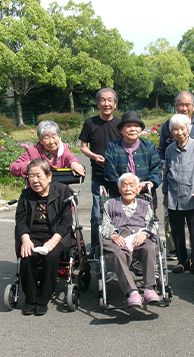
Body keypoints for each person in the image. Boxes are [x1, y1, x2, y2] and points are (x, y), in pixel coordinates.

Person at [158, 91, 194, 260]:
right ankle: (182, 259)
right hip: (174, 195)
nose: (179, 132)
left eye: (187, 104)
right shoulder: (169, 146)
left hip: (193, 194)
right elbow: (165, 167)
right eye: (175, 129)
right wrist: (165, 193)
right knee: (176, 229)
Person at [15, 159, 74, 315]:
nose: (34, 180)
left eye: (38, 176)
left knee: (50, 256)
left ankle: (43, 298)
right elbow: (20, 221)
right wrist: (26, 239)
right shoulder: (26, 195)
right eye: (31, 176)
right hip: (32, 235)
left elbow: (67, 221)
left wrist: (52, 242)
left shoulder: (62, 191)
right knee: (27, 256)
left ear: (49, 176)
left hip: (57, 235)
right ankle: (30, 298)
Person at [101, 173, 159, 307]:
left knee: (150, 247)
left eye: (132, 185)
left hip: (139, 237)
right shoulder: (109, 204)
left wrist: (144, 234)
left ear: (138, 189)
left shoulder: (145, 204)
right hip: (118, 238)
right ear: (119, 189)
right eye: (124, 185)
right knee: (116, 252)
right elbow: (105, 224)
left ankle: (149, 289)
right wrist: (113, 235)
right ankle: (132, 292)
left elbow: (151, 223)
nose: (128, 189)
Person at [79, 88, 122, 258]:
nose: (106, 103)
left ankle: (117, 245)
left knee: (118, 213)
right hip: (98, 176)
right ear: (98, 104)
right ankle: (96, 248)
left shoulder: (120, 124)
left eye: (110, 100)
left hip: (118, 177)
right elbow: (82, 147)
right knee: (97, 214)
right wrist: (93, 156)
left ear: (115, 104)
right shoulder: (90, 123)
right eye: (103, 100)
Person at [103, 111, 161, 207]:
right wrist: (125, 187)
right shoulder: (113, 146)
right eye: (128, 126)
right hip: (119, 195)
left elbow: (156, 169)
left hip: (144, 195)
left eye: (136, 126)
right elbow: (109, 171)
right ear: (121, 129)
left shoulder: (148, 145)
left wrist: (150, 182)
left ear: (141, 129)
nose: (133, 129)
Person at [9, 121, 85, 178]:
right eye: (47, 138)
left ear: (59, 137)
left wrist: (74, 164)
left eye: (54, 137)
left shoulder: (63, 148)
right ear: (40, 140)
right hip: (37, 192)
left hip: (59, 190)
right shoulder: (32, 151)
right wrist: (31, 165)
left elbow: (70, 158)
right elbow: (13, 168)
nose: (51, 142)